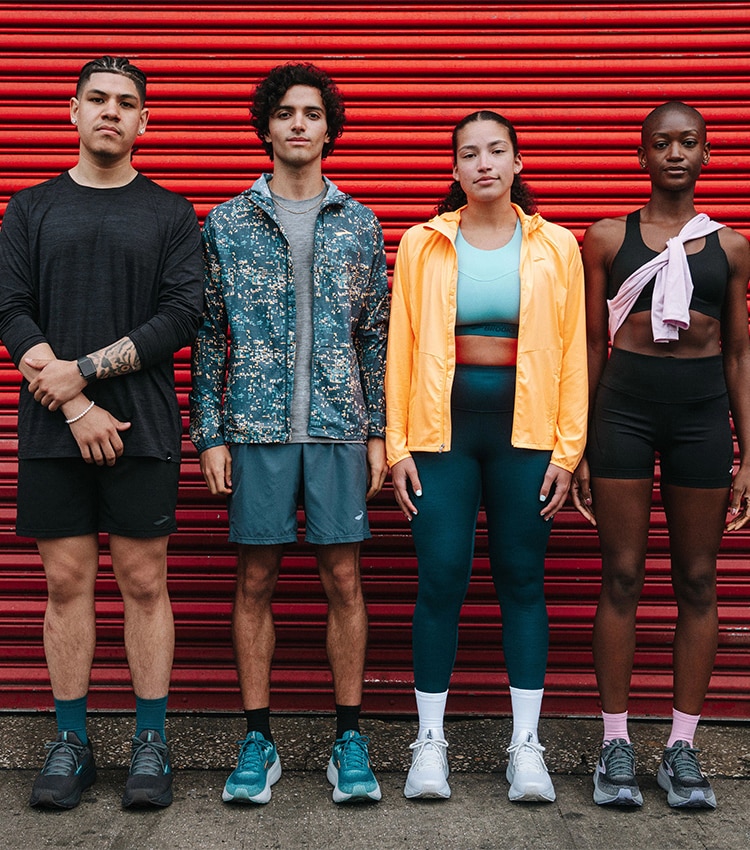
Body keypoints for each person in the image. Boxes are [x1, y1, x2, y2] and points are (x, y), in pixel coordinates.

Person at [0, 56, 204, 809]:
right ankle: (72, 742)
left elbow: (181, 315)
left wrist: (82, 372)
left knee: (146, 583)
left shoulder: (171, 214)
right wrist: (74, 403)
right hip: (55, 430)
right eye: (97, 100)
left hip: (143, 427)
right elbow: (10, 307)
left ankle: (151, 741)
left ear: (145, 122)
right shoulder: (29, 209)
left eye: (126, 103)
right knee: (65, 584)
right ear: (73, 112)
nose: (111, 112)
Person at [189, 62, 389, 805]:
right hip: (257, 429)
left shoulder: (360, 223)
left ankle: (348, 739)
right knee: (255, 580)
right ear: (266, 127)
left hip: (339, 429)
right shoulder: (228, 222)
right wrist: (210, 433)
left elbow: (376, 338)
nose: (299, 124)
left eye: (312, 113)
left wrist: (380, 433)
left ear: (329, 129)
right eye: (286, 113)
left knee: (344, 579)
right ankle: (258, 741)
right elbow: (209, 335)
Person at [385, 110, 587, 802]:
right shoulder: (421, 244)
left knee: (521, 579)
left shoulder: (557, 246)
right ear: (455, 169)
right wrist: (398, 443)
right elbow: (401, 348)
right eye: (469, 154)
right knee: (441, 578)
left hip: (525, 438)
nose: (484, 164)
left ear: (518, 162)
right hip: (441, 438)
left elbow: (572, 355)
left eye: (496, 151)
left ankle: (525, 748)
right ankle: (429, 744)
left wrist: (568, 450)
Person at [571, 101, 750, 809]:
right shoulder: (608, 238)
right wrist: (578, 443)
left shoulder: (731, 248)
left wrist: (749, 455)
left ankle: (681, 747)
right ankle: (615, 743)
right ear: (641, 155)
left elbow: (738, 352)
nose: (675, 153)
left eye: (689, 143)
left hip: (702, 416)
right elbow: (590, 343)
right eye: (661, 143)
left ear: (707, 154)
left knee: (699, 579)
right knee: (621, 574)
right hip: (624, 410)